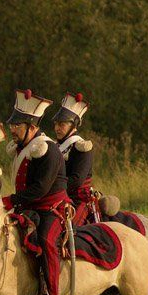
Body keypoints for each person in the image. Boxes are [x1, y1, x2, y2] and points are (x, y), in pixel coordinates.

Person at [2, 89, 71, 295]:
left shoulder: (48, 149)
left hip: (52, 209)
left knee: (46, 239)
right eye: (12, 125)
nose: (12, 129)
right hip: (29, 208)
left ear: (31, 127)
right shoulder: (25, 149)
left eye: (17, 125)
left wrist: (9, 200)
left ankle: (50, 294)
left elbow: (40, 189)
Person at [53, 92, 96, 225]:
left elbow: (76, 180)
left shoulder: (81, 147)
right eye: (56, 124)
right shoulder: (54, 146)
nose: (57, 128)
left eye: (62, 125)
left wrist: (52, 187)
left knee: (68, 228)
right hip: (58, 197)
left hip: (78, 200)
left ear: (73, 125)